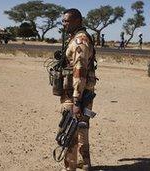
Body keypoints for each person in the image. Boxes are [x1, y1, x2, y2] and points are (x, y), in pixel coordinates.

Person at [60, 8, 97, 171]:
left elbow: (79, 71)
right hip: (84, 92)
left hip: (75, 94)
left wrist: (76, 100)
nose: (64, 24)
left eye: (67, 21)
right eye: (63, 20)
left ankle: (70, 167)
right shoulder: (77, 38)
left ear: (77, 21)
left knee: (69, 130)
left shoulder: (79, 41)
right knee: (82, 127)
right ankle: (85, 163)